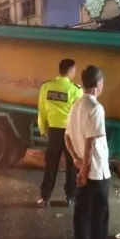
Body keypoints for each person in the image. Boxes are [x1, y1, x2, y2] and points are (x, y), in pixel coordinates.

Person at [64, 66, 120, 239]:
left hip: (84, 168)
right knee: (100, 214)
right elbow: (90, 141)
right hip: (96, 171)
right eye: (102, 82)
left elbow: (67, 137)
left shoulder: (76, 105)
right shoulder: (95, 108)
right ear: (98, 84)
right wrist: (84, 170)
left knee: (81, 211)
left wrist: (76, 160)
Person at [37, 59, 83, 208]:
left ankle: (45, 197)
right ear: (70, 71)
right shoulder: (76, 90)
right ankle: (70, 197)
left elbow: (42, 111)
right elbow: (78, 115)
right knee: (71, 166)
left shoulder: (46, 87)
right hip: (70, 132)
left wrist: (44, 130)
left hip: (54, 131)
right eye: (74, 70)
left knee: (50, 165)